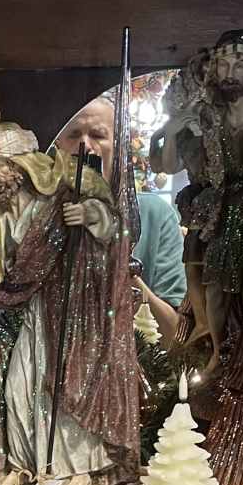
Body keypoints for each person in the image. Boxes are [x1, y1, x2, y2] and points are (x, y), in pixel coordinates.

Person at [0, 122, 139, 485]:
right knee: (18, 388)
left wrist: (90, 215)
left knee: (70, 387)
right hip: (34, 314)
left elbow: (116, 231)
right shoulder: (1, 216)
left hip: (75, 312)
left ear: (20, 166)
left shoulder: (62, 194)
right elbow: (4, 280)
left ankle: (79, 470)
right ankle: (22, 465)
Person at [152, 29, 243, 375]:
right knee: (206, 280)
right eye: (224, 65)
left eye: (239, 65)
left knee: (236, 284)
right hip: (216, 209)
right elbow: (168, 166)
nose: (230, 73)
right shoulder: (206, 114)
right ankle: (214, 348)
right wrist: (171, 131)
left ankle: (233, 350)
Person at [56, 98, 187, 346]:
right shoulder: (44, 217)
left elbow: (174, 335)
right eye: (73, 134)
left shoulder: (153, 215)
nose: (85, 145)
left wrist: (123, 268)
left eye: (98, 135)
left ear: (119, 148)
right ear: (59, 145)